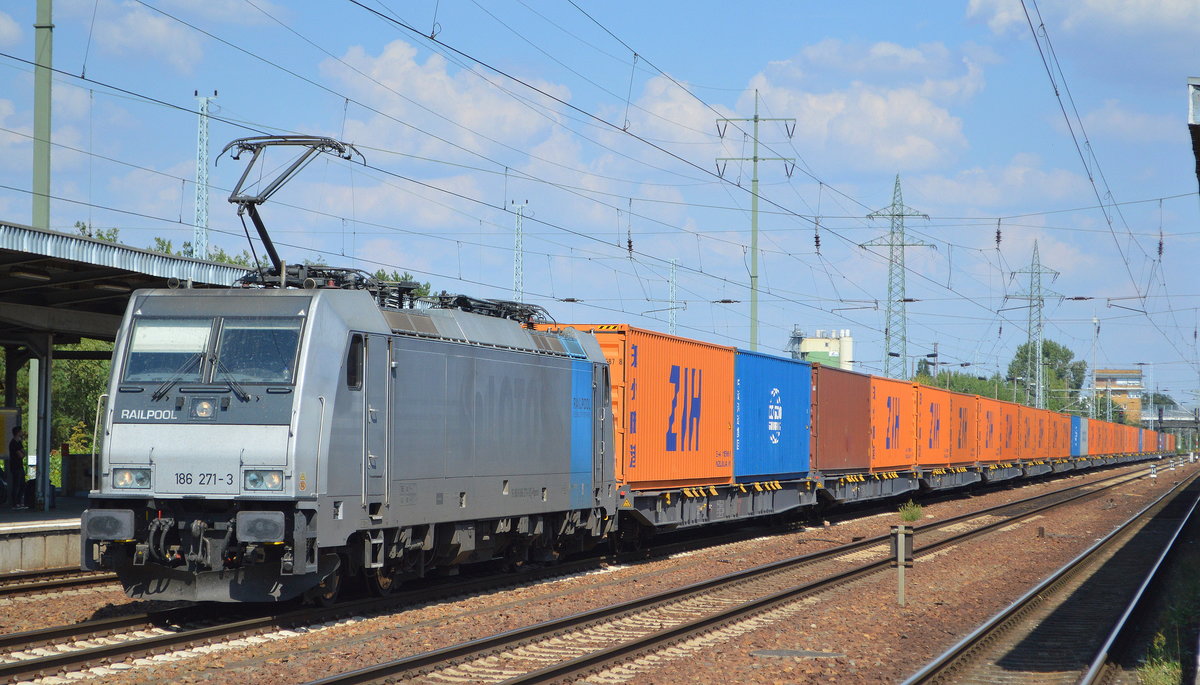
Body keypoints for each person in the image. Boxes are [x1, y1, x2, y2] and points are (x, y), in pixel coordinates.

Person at [7, 427, 26, 510]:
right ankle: (15, 503)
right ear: (18, 432)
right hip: (15, 466)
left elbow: (23, 452)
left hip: (20, 466)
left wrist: (22, 453)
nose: (22, 432)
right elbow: (21, 455)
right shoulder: (13, 443)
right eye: (21, 431)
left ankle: (19, 502)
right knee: (16, 485)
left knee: (22, 485)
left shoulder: (19, 442)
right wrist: (22, 453)